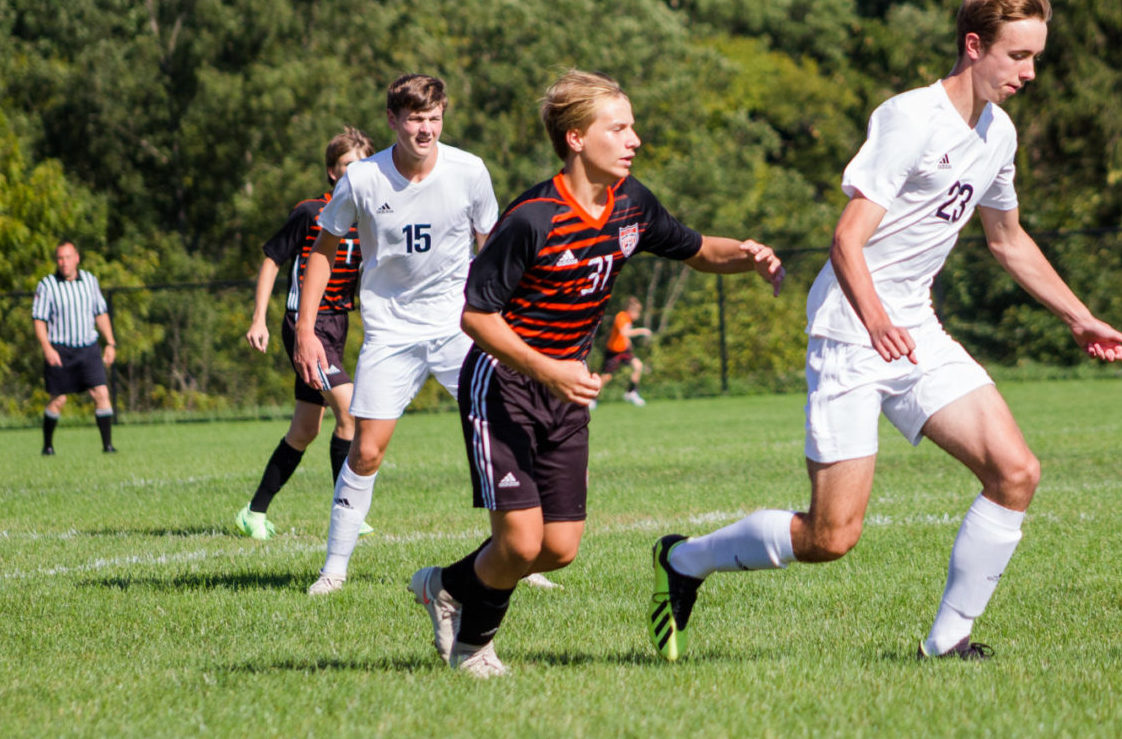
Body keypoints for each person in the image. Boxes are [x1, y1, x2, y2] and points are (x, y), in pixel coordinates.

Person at [645, 0, 1122, 663]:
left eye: (1036, 59)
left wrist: (1079, 317)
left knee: (1016, 472)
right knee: (830, 537)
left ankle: (948, 641)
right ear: (974, 45)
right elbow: (847, 239)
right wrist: (874, 319)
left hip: (913, 331)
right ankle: (686, 561)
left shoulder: (999, 134)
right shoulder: (909, 118)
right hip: (851, 329)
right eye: (1017, 57)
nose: (1029, 73)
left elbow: (1008, 240)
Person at [407, 69, 783, 677]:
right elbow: (477, 317)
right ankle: (473, 645)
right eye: (619, 127)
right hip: (502, 384)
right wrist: (548, 369)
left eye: (632, 126)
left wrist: (746, 255)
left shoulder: (631, 204)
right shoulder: (533, 217)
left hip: (566, 390)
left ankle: (445, 585)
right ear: (577, 138)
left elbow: (695, 247)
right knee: (522, 542)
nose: (634, 139)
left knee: (559, 549)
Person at [294, 74, 499, 595]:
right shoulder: (362, 178)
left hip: (459, 325)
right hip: (389, 330)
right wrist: (304, 327)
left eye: (433, 118)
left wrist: (509, 319)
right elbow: (322, 251)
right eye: (414, 119)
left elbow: (493, 248)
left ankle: (519, 556)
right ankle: (333, 570)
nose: (425, 130)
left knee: (503, 433)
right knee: (366, 450)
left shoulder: (469, 170)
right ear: (392, 120)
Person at [235, 128, 374, 541]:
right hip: (305, 326)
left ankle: (253, 511)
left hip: (338, 325)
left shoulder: (369, 217)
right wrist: (258, 318)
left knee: (305, 429)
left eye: (362, 165)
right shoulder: (312, 212)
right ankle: (345, 510)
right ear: (333, 172)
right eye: (348, 165)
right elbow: (272, 260)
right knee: (349, 413)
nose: (355, 172)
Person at [31, 240, 119, 455]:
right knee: (58, 399)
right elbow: (39, 319)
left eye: (68, 257)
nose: (64, 262)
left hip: (88, 348)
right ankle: (48, 446)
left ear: (77, 258)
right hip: (61, 349)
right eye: (60, 258)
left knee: (101, 393)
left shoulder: (90, 281)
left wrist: (110, 342)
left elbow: (100, 312)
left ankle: (107, 446)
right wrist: (47, 348)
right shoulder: (47, 284)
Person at [596, 296, 653, 406]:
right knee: (607, 377)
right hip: (614, 351)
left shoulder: (628, 319)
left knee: (638, 366)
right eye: (637, 312)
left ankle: (631, 392)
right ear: (630, 310)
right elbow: (624, 333)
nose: (638, 315)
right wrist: (642, 330)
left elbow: (625, 338)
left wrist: (629, 347)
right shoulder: (621, 317)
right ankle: (592, 398)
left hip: (624, 350)